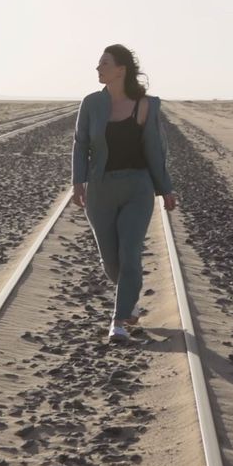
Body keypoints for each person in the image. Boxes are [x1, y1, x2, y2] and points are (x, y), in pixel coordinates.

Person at [71, 44, 176, 340]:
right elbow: (80, 144)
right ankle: (129, 307)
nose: (98, 68)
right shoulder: (91, 103)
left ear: (121, 69)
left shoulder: (146, 105)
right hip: (101, 189)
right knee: (111, 262)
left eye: (104, 63)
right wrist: (78, 182)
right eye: (98, 64)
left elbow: (155, 150)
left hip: (137, 187)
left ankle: (118, 322)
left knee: (130, 254)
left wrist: (165, 188)